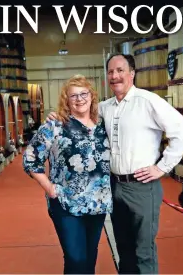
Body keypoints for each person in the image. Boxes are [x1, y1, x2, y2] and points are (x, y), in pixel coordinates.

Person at [47, 54, 183, 274]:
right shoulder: (105, 107)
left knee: (143, 250)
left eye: (120, 70)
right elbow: (80, 116)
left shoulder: (147, 101)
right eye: (111, 72)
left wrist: (162, 167)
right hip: (114, 186)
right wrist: (58, 117)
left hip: (142, 186)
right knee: (123, 247)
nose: (115, 76)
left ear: (132, 73)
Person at [23, 74, 112, 274]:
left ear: (92, 96)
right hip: (65, 201)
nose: (79, 99)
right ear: (66, 100)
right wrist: (50, 188)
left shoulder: (102, 126)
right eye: (73, 96)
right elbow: (30, 159)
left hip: (97, 202)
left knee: (89, 257)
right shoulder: (54, 125)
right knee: (76, 257)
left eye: (83, 94)